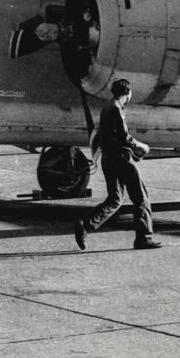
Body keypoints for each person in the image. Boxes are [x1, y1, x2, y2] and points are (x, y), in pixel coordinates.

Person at [73, 79, 162, 250]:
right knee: (141, 197)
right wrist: (141, 147)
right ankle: (144, 237)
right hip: (121, 158)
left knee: (115, 199)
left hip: (109, 158)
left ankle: (85, 225)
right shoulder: (116, 109)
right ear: (128, 93)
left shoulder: (107, 107)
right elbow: (124, 137)